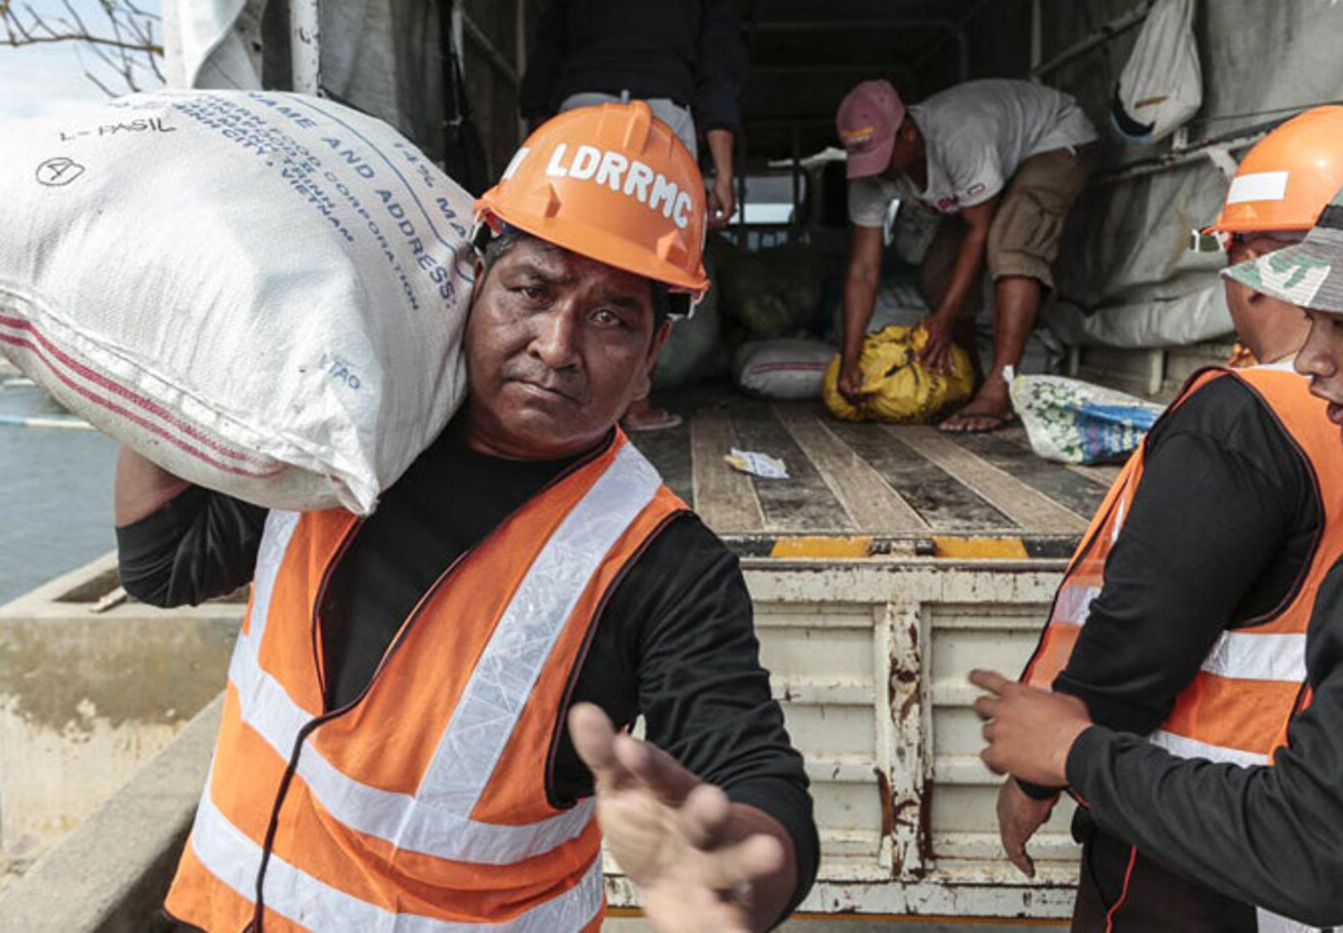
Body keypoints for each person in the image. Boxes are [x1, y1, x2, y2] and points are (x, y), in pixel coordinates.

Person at [114, 102, 818, 932]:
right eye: (532, 288)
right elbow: (164, 565)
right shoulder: (350, 425)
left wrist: (732, 868)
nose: (557, 344)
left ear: (650, 360)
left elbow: (749, 769)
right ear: (473, 283)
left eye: (610, 316)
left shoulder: (662, 563)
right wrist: (169, 345)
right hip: (222, 910)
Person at [973, 133, 1343, 933]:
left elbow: (1143, 629)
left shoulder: (1241, 421)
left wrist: (1060, 756)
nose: (1317, 357)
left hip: (1205, 851)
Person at [520, 0, 747, 432]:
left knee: (565, 256)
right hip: (660, 119)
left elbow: (539, 76)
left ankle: (553, 393)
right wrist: (723, 175)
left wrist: (540, 154)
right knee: (650, 267)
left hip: (578, 113)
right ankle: (634, 403)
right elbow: (719, 76)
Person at [835, 77, 1097, 432]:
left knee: (1011, 244)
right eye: (864, 160)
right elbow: (863, 270)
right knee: (937, 273)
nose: (875, 170)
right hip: (992, 169)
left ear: (908, 132)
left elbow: (979, 229)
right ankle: (969, 380)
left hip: (1054, 140)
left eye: (880, 155)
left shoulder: (957, 135)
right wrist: (849, 360)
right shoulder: (870, 175)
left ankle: (1000, 389)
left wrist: (944, 319)